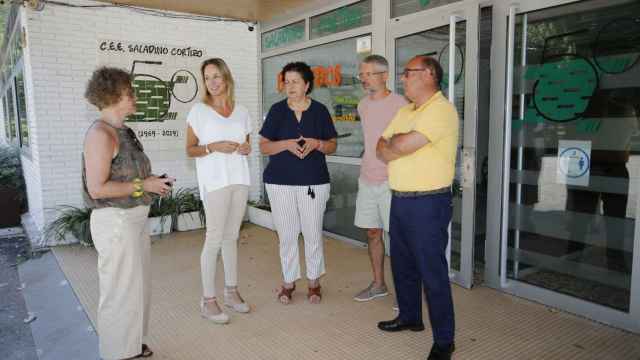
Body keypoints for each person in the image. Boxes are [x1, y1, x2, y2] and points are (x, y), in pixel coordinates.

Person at [83, 66, 174, 360]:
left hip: (133, 220)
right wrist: (143, 184)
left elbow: (129, 176)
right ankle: (118, 353)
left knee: (136, 289)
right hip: (115, 222)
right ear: (113, 95)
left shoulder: (125, 131)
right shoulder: (100, 134)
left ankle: (131, 344)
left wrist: (153, 183)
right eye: (130, 92)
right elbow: (97, 188)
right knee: (120, 291)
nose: (134, 96)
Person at [376, 56, 458, 360]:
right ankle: (410, 317)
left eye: (407, 73)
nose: (402, 79)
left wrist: (395, 144)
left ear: (428, 74)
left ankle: (445, 341)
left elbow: (397, 146)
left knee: (432, 273)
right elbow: (380, 148)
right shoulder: (405, 111)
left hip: (429, 202)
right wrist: (396, 144)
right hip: (400, 199)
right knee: (402, 265)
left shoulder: (441, 110)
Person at [259, 61, 337, 305]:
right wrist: (286, 144)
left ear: (307, 85)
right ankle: (289, 281)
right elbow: (263, 146)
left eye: (295, 81)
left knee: (313, 233)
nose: (289, 86)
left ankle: (314, 282)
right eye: (286, 81)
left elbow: (332, 145)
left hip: (313, 182)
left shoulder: (320, 111)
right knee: (287, 235)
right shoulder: (277, 110)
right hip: (280, 182)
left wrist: (318, 144)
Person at [186, 58, 252, 324]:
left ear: (226, 78)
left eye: (216, 76)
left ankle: (231, 292)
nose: (212, 82)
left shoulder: (242, 111)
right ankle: (208, 301)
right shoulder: (198, 111)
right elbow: (190, 149)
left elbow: (246, 143)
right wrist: (213, 147)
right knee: (214, 238)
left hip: (239, 178)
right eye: (207, 77)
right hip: (214, 182)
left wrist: (245, 147)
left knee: (231, 236)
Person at [352, 55, 407, 302]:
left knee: (398, 238)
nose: (364, 78)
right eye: (362, 74)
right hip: (367, 179)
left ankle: (404, 293)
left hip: (392, 182)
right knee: (373, 233)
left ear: (384, 76)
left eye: (369, 74)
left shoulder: (401, 104)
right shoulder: (362, 105)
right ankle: (379, 284)